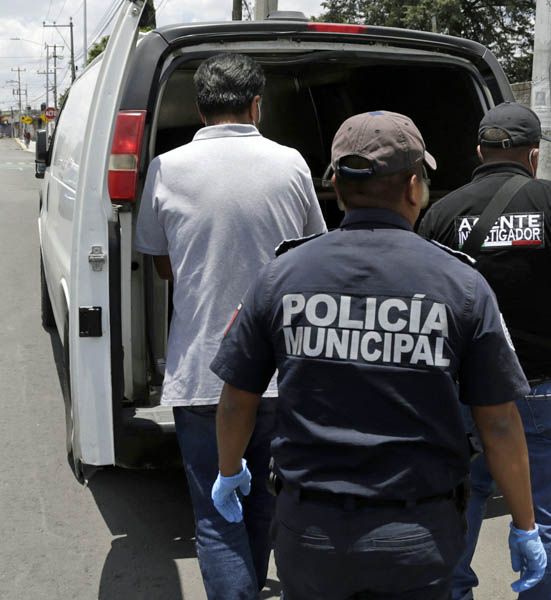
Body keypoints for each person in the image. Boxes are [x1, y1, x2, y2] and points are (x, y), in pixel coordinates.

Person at [210, 110, 548, 600]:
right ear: (414, 186)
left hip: (311, 534)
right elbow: (497, 422)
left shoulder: (280, 277)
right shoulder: (461, 285)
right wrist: (524, 523)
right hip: (416, 538)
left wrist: (227, 471)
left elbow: (237, 398)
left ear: (337, 188)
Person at [134, 53, 326, 599]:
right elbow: (309, 253)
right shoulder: (290, 163)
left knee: (217, 516)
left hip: (203, 375)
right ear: (256, 105)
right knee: (266, 501)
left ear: (199, 109)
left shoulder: (168, 168)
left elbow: (161, 260)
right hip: (282, 372)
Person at [418, 102, 551, 600]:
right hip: (545, 391)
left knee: (459, 506)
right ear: (533, 156)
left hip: (464, 394)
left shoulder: (441, 212)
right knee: (544, 516)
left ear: (479, 151)